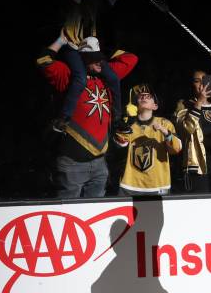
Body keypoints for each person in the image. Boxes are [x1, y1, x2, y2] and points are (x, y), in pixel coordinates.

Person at [37, 31, 138, 198]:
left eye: (101, 58)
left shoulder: (107, 75)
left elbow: (131, 58)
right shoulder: (68, 75)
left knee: (95, 217)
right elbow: (43, 60)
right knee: (68, 218)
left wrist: (101, 52)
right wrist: (61, 41)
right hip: (71, 165)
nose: (100, 61)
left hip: (99, 163)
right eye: (94, 58)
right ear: (82, 59)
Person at [51, 0, 132, 135]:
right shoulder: (75, 4)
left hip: (90, 51)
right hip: (71, 47)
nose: (92, 7)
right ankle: (63, 118)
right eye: (89, 3)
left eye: (94, 4)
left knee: (112, 77)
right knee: (79, 78)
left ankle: (118, 120)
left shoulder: (97, 6)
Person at [114, 84, 182, 195]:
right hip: (130, 185)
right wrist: (125, 124)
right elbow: (119, 146)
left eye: (148, 96)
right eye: (141, 96)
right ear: (135, 104)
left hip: (158, 185)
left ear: (155, 106)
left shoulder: (165, 123)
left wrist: (164, 132)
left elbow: (176, 149)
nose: (144, 97)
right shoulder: (129, 123)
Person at [174, 70, 211, 193]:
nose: (201, 84)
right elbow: (186, 129)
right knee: (200, 205)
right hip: (198, 166)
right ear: (192, 85)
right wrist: (199, 102)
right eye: (197, 81)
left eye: (204, 80)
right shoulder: (184, 105)